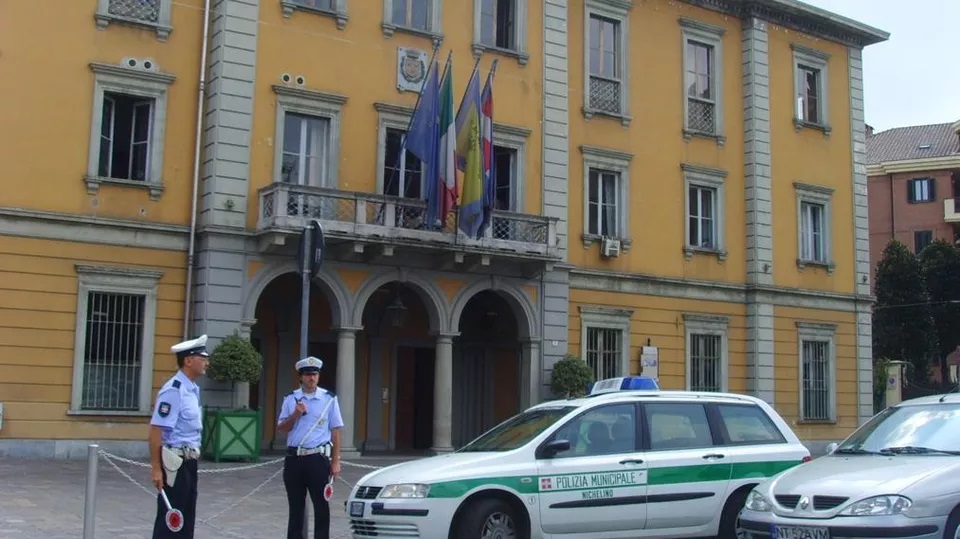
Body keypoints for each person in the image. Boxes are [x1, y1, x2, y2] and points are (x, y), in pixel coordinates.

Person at [148, 334, 209, 539]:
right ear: (188, 360)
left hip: (189, 461)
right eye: (202, 358)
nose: (206, 363)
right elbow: (157, 429)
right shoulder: (174, 390)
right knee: (172, 521)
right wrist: (156, 468)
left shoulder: (191, 390)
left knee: (186, 519)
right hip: (174, 463)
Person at [277, 356, 344, 539]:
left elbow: (336, 431)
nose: (311, 378)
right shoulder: (291, 399)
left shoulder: (328, 399)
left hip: (317, 458)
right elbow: (282, 429)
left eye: (315, 374)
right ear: (301, 377)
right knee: (296, 507)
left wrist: (335, 461)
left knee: (321, 506)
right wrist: (295, 415)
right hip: (294, 458)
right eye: (307, 375)